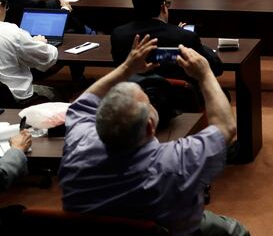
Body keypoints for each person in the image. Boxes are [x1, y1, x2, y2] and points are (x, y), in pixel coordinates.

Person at [59, 36, 249, 236]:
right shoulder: (177, 162)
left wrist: (127, 68)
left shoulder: (78, 144)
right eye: (148, 102)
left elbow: (83, 103)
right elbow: (226, 127)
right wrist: (204, 74)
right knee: (235, 230)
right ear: (150, 127)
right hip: (174, 230)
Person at [110, 0, 222, 79]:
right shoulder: (186, 37)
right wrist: (184, 34)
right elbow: (216, 68)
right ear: (163, 7)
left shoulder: (119, 35)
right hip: (179, 99)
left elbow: (120, 67)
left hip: (133, 97)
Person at [0, 0, 61, 104]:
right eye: (6, 6)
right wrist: (40, 43)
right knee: (54, 94)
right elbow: (48, 58)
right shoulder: (12, 32)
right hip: (14, 98)